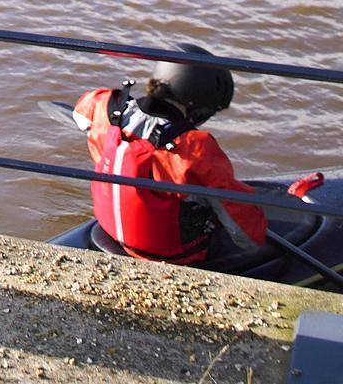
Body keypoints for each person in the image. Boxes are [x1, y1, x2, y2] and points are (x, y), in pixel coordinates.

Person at [74, 48, 266, 264]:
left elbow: (79, 115)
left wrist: (97, 136)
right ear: (196, 102)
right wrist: (257, 240)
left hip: (112, 235)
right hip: (174, 255)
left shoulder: (105, 106)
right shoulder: (193, 147)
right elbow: (244, 229)